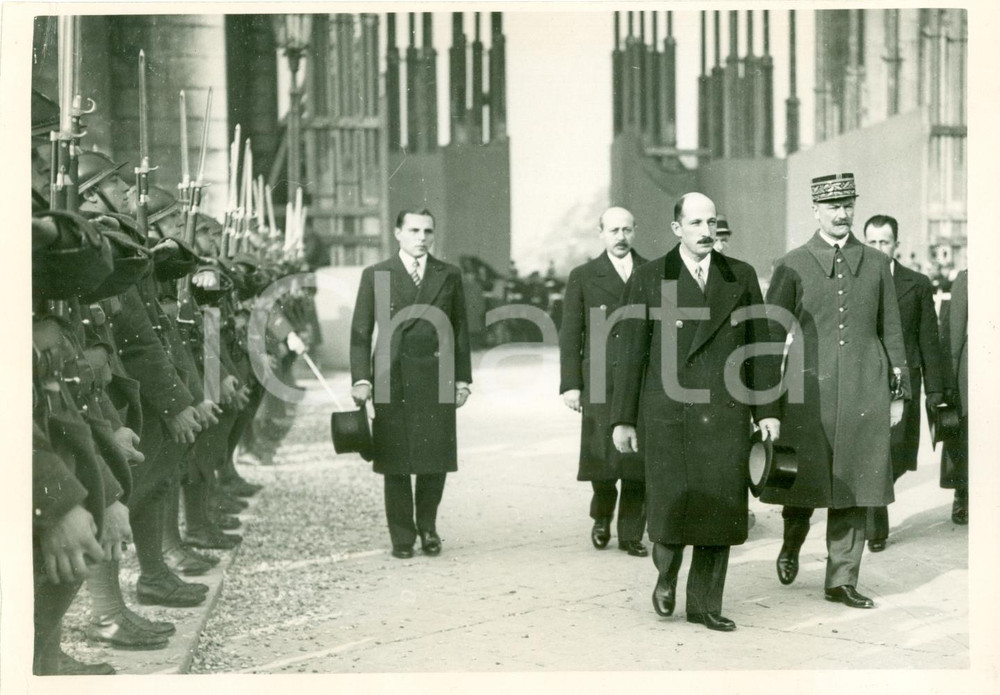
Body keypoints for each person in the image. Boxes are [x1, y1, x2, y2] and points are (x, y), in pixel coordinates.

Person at [610, 193, 780, 631]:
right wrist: (623, 418)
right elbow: (630, 353)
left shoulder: (739, 276)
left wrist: (766, 409)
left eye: (711, 223)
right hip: (669, 414)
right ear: (677, 229)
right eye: (696, 223)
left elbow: (759, 346)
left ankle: (705, 604)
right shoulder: (650, 277)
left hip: (724, 413)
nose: (706, 232)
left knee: (720, 512)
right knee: (669, 511)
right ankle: (666, 573)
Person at [763, 173, 908, 609]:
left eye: (848, 206)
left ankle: (841, 579)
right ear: (816, 211)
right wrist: (767, 401)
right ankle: (791, 543)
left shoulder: (878, 264)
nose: (842, 214)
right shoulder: (793, 263)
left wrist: (897, 392)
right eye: (833, 207)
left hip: (866, 387)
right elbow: (771, 332)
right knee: (803, 481)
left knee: (855, 485)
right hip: (808, 392)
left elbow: (893, 331)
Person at [350, 209, 472, 559]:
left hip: (438, 375)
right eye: (414, 230)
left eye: (428, 231)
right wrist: (361, 379)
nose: (422, 237)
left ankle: (429, 528)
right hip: (392, 378)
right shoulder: (377, 275)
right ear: (398, 233)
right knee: (395, 459)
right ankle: (401, 536)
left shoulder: (447, 275)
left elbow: (460, 330)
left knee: (435, 458)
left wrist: (463, 379)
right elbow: (360, 333)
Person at [559, 206, 648, 557]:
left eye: (627, 230)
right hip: (600, 378)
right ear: (601, 234)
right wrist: (571, 384)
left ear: (635, 231)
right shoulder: (583, 275)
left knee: (637, 461)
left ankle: (631, 534)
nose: (621, 237)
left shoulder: (653, 271)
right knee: (603, 457)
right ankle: (601, 517)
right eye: (614, 230)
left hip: (642, 378)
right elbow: (571, 333)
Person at [862, 214, 945, 550]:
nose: (878, 248)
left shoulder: (918, 283)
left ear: (896, 244)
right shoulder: (853, 279)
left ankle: (875, 501)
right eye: (872, 241)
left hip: (902, 385)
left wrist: (936, 390)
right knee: (871, 454)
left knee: (896, 454)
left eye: (884, 241)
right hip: (863, 381)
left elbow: (929, 340)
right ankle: (875, 521)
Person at [939, 270, 968, 524]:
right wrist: (951, 381)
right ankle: (963, 494)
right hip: (973, 369)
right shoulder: (967, 279)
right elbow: (955, 333)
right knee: (966, 433)